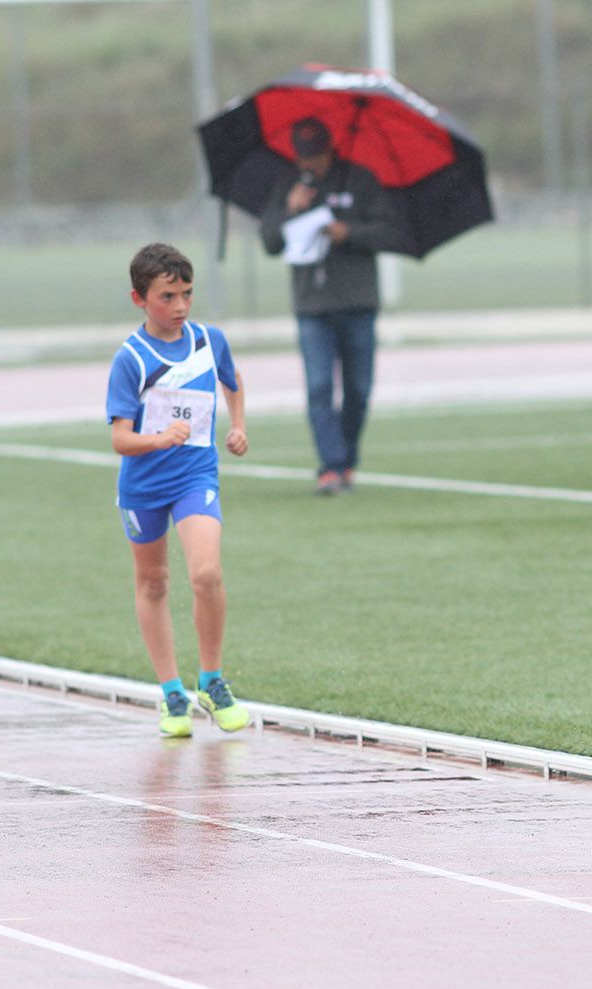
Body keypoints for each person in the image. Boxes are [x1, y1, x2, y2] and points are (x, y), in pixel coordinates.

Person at [105, 243, 251, 738]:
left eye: (187, 294)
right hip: (144, 485)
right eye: (168, 296)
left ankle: (211, 680)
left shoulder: (209, 341)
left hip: (195, 477)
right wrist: (158, 439)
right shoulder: (132, 358)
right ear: (139, 299)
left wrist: (239, 425)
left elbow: (232, 381)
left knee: (206, 573)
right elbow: (119, 438)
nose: (181, 306)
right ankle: (171, 692)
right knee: (154, 583)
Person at [260, 116, 407, 495]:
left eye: (316, 156)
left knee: (358, 389)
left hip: (357, 301)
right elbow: (270, 241)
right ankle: (331, 466)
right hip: (312, 304)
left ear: (330, 149)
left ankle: (347, 460)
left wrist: (349, 232)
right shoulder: (288, 184)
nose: (310, 164)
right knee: (320, 386)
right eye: (303, 156)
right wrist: (291, 209)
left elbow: (391, 232)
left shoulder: (360, 181)